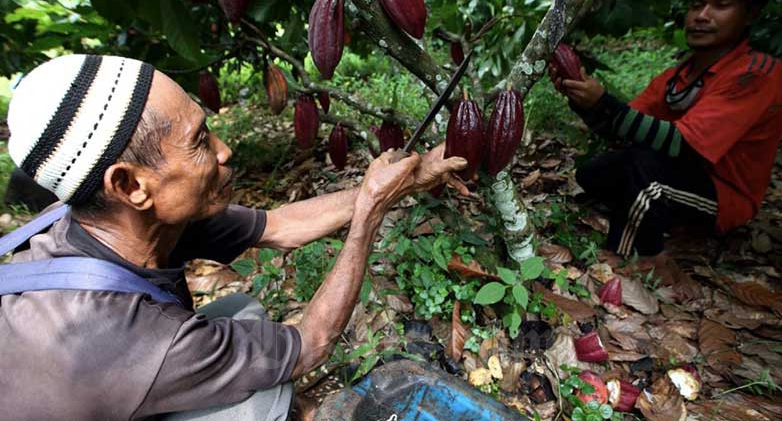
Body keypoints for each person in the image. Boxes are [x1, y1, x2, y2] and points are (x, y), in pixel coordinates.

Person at [0, 54, 467, 420]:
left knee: (242, 314)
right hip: (102, 376)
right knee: (257, 402)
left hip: (108, 389)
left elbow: (281, 225)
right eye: (200, 141)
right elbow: (312, 343)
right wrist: (370, 213)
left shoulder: (116, 219)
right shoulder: (122, 336)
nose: (225, 150)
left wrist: (408, 176)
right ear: (130, 185)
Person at [549, 0, 782, 257]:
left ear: (750, 15)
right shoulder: (677, 76)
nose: (702, 16)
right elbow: (621, 130)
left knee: (646, 172)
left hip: (724, 195)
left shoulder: (756, 73)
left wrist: (604, 103)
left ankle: (624, 261)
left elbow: (683, 145)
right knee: (593, 173)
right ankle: (662, 218)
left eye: (722, 4)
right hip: (678, 174)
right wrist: (583, 100)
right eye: (697, 5)